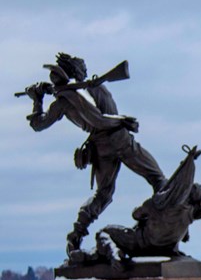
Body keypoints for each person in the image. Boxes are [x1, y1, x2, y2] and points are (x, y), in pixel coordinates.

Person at [25, 56, 166, 258]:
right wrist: (122, 120)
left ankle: (76, 235)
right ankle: (163, 226)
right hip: (117, 139)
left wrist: (38, 100)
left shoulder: (73, 95)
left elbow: (38, 123)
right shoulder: (73, 97)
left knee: (104, 194)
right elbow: (97, 120)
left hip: (102, 146)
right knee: (158, 179)